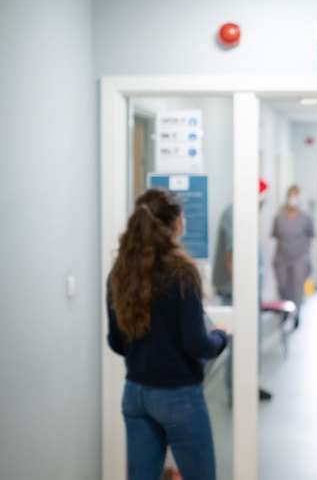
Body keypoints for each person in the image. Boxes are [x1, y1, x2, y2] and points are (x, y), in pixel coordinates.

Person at [107, 188, 229, 480]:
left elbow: (116, 341)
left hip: (135, 393)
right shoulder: (182, 272)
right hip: (178, 396)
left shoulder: (120, 272)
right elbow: (197, 343)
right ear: (174, 223)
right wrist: (220, 338)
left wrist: (145, 350)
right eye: (182, 215)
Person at [212, 178, 273, 402]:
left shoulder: (246, 214)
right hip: (237, 291)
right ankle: (237, 391)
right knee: (239, 340)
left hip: (247, 289)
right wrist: (243, 290)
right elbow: (233, 256)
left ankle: (248, 384)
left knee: (249, 339)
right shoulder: (234, 213)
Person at [272, 185, 314, 328]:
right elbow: (276, 236)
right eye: (292, 195)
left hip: (300, 257)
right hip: (282, 257)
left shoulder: (305, 217)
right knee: (283, 286)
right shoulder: (279, 217)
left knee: (297, 288)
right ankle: (285, 311)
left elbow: (310, 236)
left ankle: (296, 314)